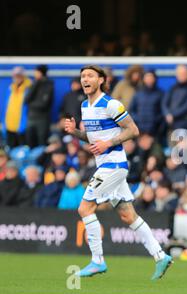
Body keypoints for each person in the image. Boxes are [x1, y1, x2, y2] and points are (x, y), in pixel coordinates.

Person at [64, 65, 172, 279]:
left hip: (113, 166)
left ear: (101, 80)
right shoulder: (85, 105)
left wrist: (109, 143)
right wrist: (75, 132)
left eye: (90, 76)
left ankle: (97, 261)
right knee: (127, 215)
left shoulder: (111, 104)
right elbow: (95, 140)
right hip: (106, 165)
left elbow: (133, 130)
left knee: (85, 208)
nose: (85, 79)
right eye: (83, 76)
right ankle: (161, 256)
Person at [162, 64, 187, 135]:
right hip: (172, 124)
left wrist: (173, 115)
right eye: (179, 73)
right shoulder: (173, 88)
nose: (181, 75)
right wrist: (167, 114)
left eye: (183, 73)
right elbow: (164, 103)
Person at [1, 66, 32, 147]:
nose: (17, 78)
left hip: (22, 128)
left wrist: (24, 125)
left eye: (19, 76)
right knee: (10, 150)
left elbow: (29, 109)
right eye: (15, 76)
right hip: (9, 126)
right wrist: (4, 123)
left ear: (23, 76)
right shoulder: (11, 89)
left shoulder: (29, 89)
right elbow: (7, 107)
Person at [25, 65, 54, 148]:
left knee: (42, 144)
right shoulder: (34, 84)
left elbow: (43, 104)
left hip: (42, 119)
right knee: (30, 143)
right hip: (31, 118)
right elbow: (26, 100)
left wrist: (31, 104)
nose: (35, 73)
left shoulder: (49, 85)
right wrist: (36, 83)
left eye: (36, 71)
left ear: (41, 73)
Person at [128, 69, 164, 137]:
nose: (149, 79)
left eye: (151, 77)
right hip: (139, 131)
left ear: (155, 79)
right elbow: (131, 111)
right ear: (144, 79)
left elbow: (162, 113)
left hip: (154, 132)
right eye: (147, 77)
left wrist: (154, 120)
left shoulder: (160, 94)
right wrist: (139, 119)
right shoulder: (138, 93)